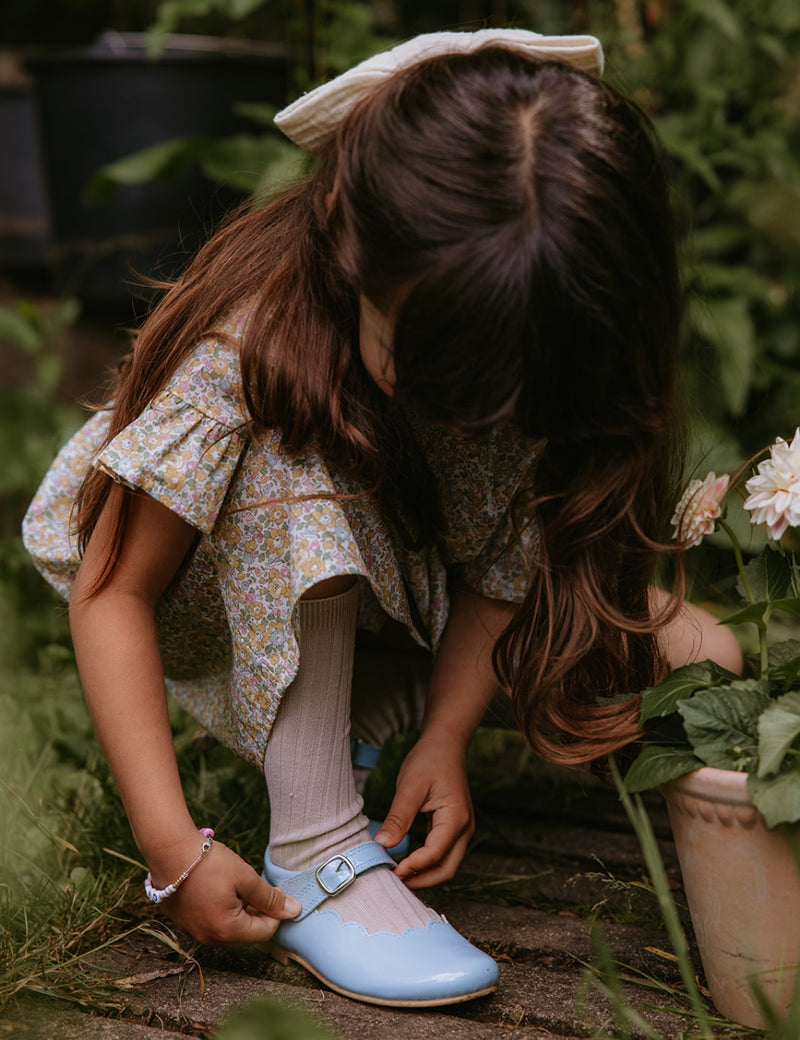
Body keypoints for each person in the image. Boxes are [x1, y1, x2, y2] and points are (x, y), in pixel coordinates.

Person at [22, 28, 742, 1008]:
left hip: (399, 581)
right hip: (215, 592)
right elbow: (113, 590)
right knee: (297, 444)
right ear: (358, 254)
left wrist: (445, 733)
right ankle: (316, 839)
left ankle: (378, 712)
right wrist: (170, 850)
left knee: (705, 654)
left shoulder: (521, 319)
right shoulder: (254, 345)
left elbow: (501, 563)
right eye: (415, 355)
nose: (451, 399)